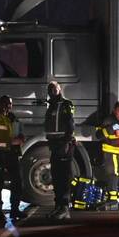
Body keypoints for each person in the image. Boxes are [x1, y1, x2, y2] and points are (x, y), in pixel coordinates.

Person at [0, 95, 26, 222]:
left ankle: (15, 209)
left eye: (10, 104)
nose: (8, 106)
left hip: (12, 154)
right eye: (6, 103)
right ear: (0, 104)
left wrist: (20, 139)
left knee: (17, 182)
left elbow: (20, 134)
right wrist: (11, 142)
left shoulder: (14, 118)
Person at [45, 81, 76, 219]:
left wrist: (66, 142)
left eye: (54, 89)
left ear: (59, 90)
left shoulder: (65, 104)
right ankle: (58, 207)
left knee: (63, 177)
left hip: (64, 145)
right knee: (56, 177)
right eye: (50, 89)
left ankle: (64, 209)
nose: (52, 91)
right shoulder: (51, 105)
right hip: (55, 145)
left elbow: (70, 124)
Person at [95, 100, 119, 209]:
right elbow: (99, 135)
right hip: (110, 151)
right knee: (112, 174)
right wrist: (112, 128)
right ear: (114, 110)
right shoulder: (107, 120)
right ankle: (112, 199)